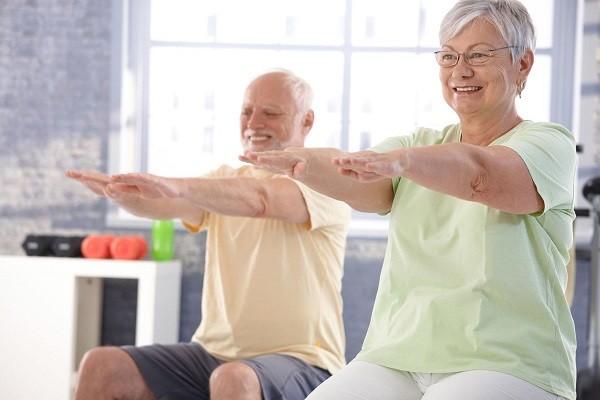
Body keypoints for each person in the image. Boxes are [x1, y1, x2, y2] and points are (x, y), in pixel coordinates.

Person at [241, 1, 577, 399]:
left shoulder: (548, 144)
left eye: (479, 55)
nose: (460, 71)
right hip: (397, 356)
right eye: (449, 56)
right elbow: (363, 183)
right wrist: (306, 165)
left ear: (523, 64)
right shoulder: (418, 146)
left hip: (508, 361)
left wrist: (401, 162)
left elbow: (481, 176)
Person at [66, 69, 351, 400]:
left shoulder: (326, 179)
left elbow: (261, 200)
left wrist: (181, 186)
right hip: (212, 354)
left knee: (233, 379)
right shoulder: (224, 181)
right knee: (102, 366)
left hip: (305, 361)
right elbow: (165, 203)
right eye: (247, 111)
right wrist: (120, 193)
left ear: (307, 121)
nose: (254, 121)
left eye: (270, 112)